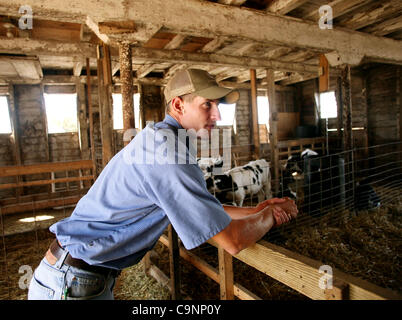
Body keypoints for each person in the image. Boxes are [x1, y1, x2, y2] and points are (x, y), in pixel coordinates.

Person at [27, 68, 298, 300]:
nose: (217, 116)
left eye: (218, 106)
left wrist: (255, 210)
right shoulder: (169, 152)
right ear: (179, 105)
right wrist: (270, 216)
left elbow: (203, 209)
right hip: (73, 282)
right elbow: (232, 240)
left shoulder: (162, 139)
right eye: (207, 105)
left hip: (78, 275)